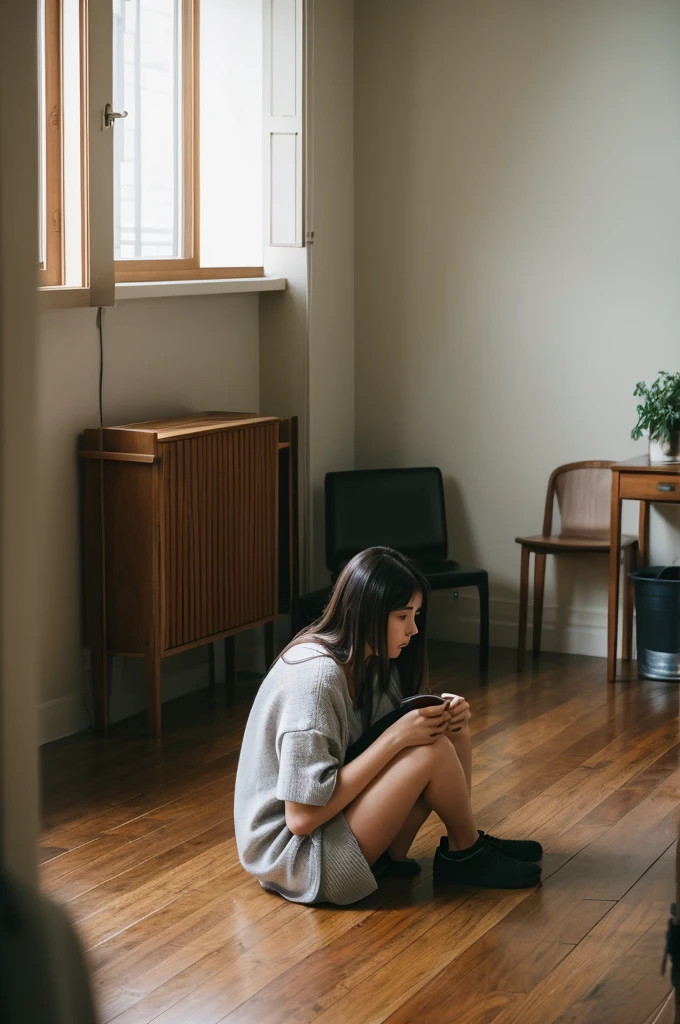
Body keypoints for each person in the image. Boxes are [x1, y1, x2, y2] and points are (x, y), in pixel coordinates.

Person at [234, 547, 542, 906]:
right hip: (298, 857)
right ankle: (466, 852)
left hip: (328, 833)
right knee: (430, 748)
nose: (413, 629)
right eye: (402, 616)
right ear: (365, 613)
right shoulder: (315, 679)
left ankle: (462, 842)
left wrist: (448, 718)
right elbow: (301, 817)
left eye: (416, 615)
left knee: (441, 729)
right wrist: (395, 739)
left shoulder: (372, 660)